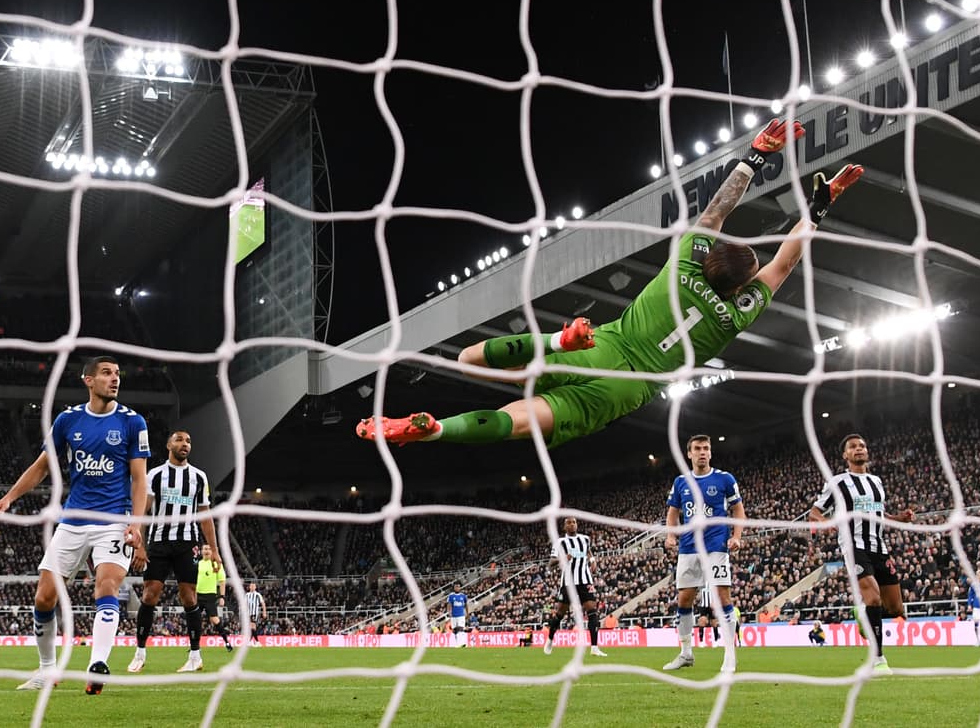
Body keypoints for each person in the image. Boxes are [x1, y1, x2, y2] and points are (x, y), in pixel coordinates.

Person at [357, 119, 864, 448]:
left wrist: (755, 156)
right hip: (626, 390)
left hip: (603, 346)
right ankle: (439, 431)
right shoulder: (735, 313)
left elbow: (715, 212)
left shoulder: (686, 269)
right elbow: (784, 263)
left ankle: (557, 341)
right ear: (740, 285)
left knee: (470, 360)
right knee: (519, 420)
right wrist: (818, 210)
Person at [0, 356, 150, 693]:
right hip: (74, 518)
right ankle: (47, 670)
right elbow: (41, 467)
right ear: (88, 380)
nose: (115, 379)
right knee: (43, 598)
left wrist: (136, 523)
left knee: (106, 585)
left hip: (114, 519)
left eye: (118, 373)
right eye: (107, 373)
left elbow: (139, 480)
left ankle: (98, 663)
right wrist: (10, 497)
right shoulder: (68, 420)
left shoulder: (133, 422)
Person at [808, 433, 914, 676]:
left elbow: (878, 512)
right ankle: (878, 660)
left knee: (896, 609)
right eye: (853, 447)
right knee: (874, 599)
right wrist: (826, 522)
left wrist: (899, 517)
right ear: (845, 455)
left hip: (880, 546)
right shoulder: (838, 482)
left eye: (862, 446)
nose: (859, 449)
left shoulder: (876, 482)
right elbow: (814, 512)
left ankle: (862, 614)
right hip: (854, 546)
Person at [127, 430, 224, 675]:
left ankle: (195, 655)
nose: (185, 444)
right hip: (159, 541)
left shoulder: (199, 477)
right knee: (150, 595)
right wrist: (139, 544)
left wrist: (214, 550)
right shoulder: (155, 475)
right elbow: (142, 510)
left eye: (189, 441)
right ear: (169, 444)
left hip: (187, 543)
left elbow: (205, 517)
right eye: (180, 440)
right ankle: (140, 652)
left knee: (189, 598)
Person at [662, 435, 745, 674]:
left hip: (716, 545)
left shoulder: (724, 479)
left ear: (710, 453)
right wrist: (670, 535)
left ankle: (730, 655)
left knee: (722, 597)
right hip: (688, 547)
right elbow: (673, 512)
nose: (702, 452)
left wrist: (736, 536)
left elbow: (738, 509)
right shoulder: (680, 482)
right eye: (697, 449)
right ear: (689, 454)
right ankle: (686, 653)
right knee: (684, 599)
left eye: (706, 448)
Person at [543, 516, 607, 658]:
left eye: (574, 522)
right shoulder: (560, 542)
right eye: (569, 523)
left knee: (592, 612)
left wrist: (592, 560)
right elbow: (550, 563)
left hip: (585, 580)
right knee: (560, 614)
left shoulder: (585, 539)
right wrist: (562, 558)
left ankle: (594, 647)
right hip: (568, 582)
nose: (572, 525)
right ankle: (550, 639)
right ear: (564, 527)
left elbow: (588, 551)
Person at [195, 544, 233, 650]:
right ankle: (195, 646)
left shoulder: (216, 564)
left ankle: (227, 642)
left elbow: (222, 581)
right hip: (198, 595)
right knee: (195, 620)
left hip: (210, 596)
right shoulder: (198, 564)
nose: (207, 551)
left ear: (212, 552)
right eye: (205, 549)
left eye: (209, 549)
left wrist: (222, 597)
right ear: (201, 551)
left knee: (215, 619)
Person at [447, 583, 469, 648]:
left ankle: (463, 643)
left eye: (458, 587)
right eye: (456, 587)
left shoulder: (463, 596)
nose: (457, 588)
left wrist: (467, 613)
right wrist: (449, 612)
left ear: (460, 588)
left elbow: (466, 605)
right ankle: (456, 643)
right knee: (454, 630)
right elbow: (449, 605)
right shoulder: (451, 596)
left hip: (461, 615)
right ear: (454, 588)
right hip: (453, 616)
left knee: (461, 628)